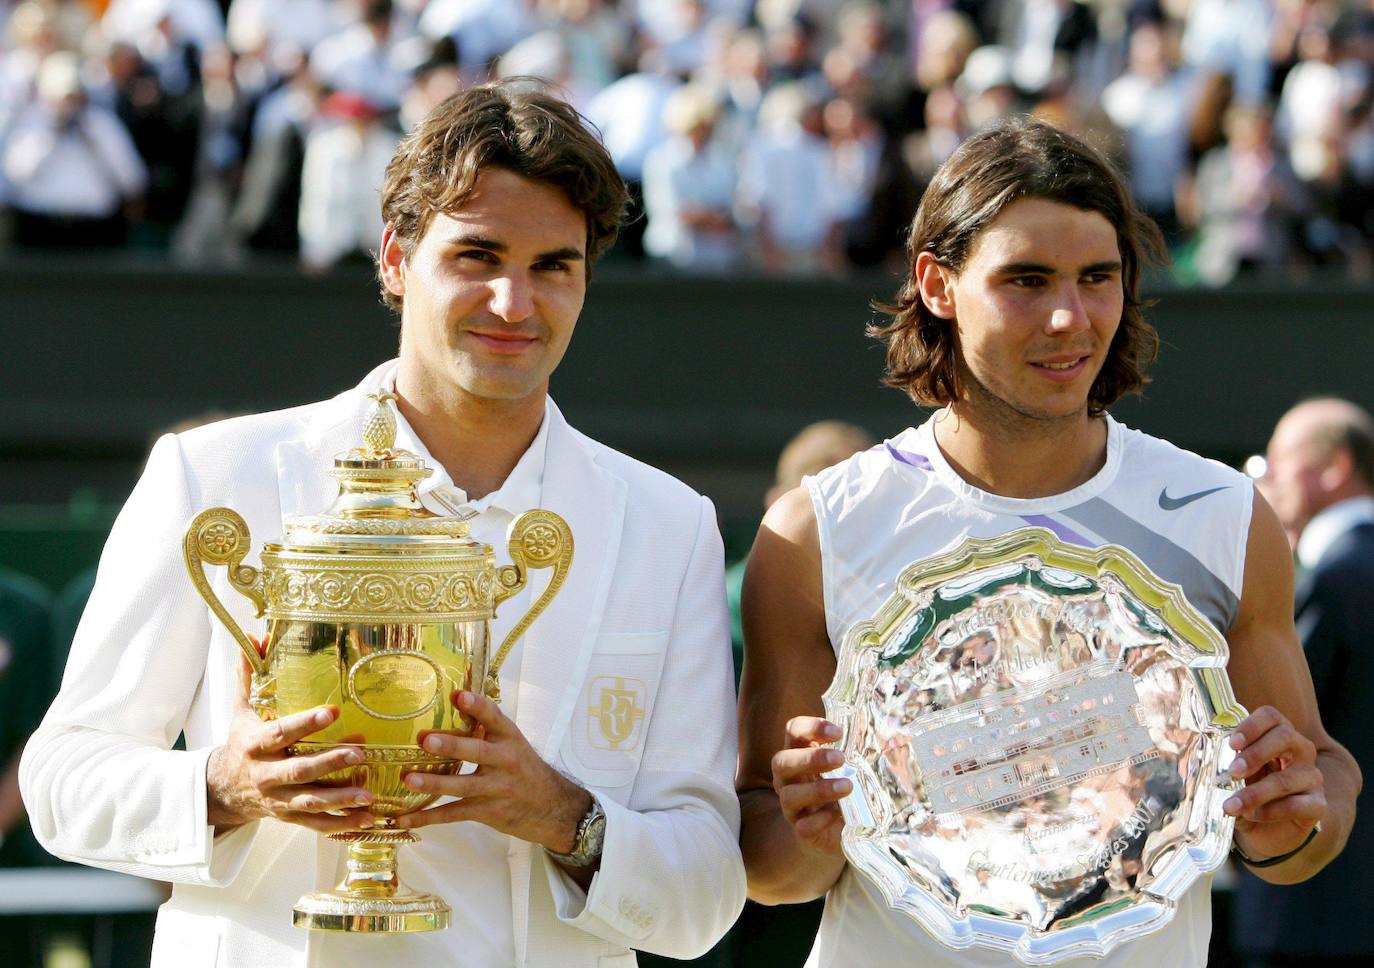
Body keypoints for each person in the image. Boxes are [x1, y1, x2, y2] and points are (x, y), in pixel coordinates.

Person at [20, 81, 745, 968]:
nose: (515, 303)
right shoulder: (214, 476)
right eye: (477, 256)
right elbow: (62, 780)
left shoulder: (667, 526)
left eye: (553, 265)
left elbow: (706, 892)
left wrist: (563, 817)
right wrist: (223, 785)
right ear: (397, 261)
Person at [736, 117, 1360, 967]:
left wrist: (1294, 815)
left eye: (1098, 278)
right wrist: (814, 828)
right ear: (937, 284)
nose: (1071, 317)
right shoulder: (820, 528)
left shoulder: (1222, 512)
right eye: (1026, 280)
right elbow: (767, 862)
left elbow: (1309, 804)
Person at [1233, 399, 1374, 966]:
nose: (1262, 478)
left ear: (1335, 467)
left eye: (1275, 462)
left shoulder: (1334, 576)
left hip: (1318, 906)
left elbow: (1281, 719)